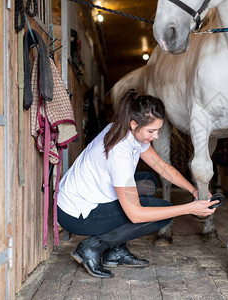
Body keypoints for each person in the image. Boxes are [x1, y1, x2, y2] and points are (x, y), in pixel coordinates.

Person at [57, 89, 218, 278]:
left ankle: (115, 252)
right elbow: (136, 215)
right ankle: (91, 248)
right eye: (152, 131)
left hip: (82, 200)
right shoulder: (120, 153)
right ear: (134, 124)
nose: (156, 136)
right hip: (76, 214)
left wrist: (194, 190)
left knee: (148, 182)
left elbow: (162, 167)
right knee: (161, 214)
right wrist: (189, 208)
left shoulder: (123, 129)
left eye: (157, 130)